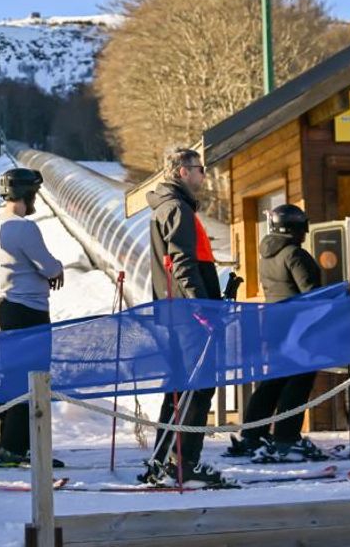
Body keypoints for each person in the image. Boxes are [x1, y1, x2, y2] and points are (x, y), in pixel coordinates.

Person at [139, 147, 224, 487]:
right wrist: (203, 309)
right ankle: (184, 463)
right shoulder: (177, 209)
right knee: (197, 387)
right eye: (199, 168)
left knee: (178, 389)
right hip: (189, 315)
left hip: (175, 311)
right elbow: (183, 264)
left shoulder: (167, 207)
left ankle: (163, 459)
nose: (203, 174)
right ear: (182, 171)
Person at [0, 168, 63, 467]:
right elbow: (49, 267)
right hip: (29, 310)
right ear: (27, 193)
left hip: (4, 306)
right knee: (32, 380)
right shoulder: (24, 227)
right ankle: (15, 448)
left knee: (9, 377)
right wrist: (57, 268)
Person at [232, 203, 326, 463]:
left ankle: (253, 434)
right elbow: (311, 292)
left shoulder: (267, 255)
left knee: (273, 381)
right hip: (298, 326)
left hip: (274, 324)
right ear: (295, 227)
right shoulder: (294, 254)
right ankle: (287, 436)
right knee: (299, 381)